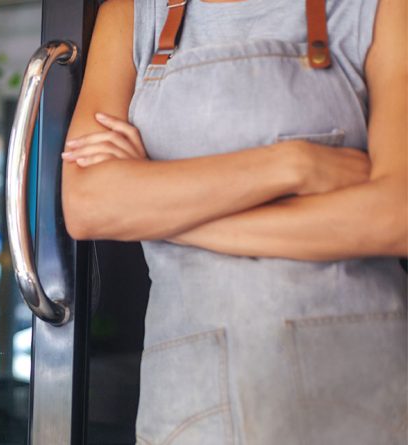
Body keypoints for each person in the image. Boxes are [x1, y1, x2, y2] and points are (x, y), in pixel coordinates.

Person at [60, 0, 407, 443]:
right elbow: (89, 205)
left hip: (360, 394)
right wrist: (292, 164)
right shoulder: (130, 15)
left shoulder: (380, 7)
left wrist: (155, 212)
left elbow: (396, 216)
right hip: (190, 407)